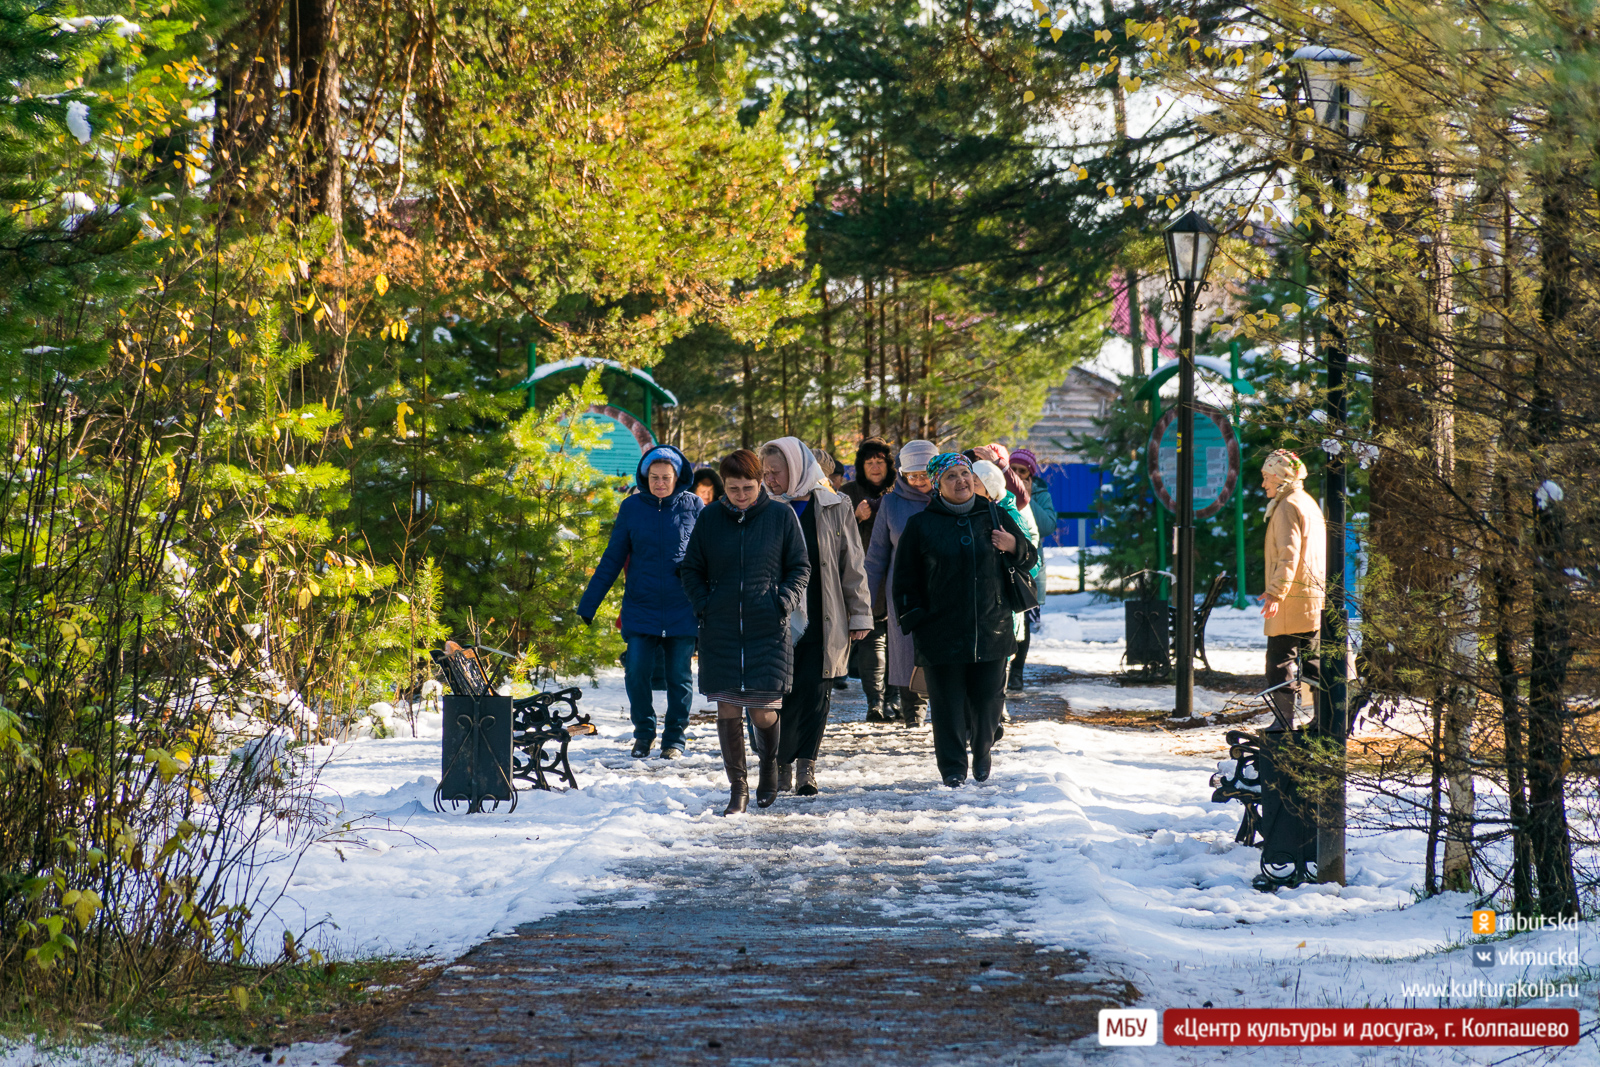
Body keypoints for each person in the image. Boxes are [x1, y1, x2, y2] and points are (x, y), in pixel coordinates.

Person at [680, 449, 811, 813]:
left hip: (766, 626)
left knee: (761, 712)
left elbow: (800, 566)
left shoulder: (780, 515)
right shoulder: (710, 518)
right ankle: (738, 788)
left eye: (748, 488)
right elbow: (691, 568)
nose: (740, 495)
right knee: (727, 709)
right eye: (734, 488)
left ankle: (768, 767)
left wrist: (782, 601)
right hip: (720, 628)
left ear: (760, 484)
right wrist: (705, 603)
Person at [893, 454, 1037, 787]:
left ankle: (983, 751)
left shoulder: (995, 515)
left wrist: (1013, 544)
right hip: (939, 632)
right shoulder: (921, 525)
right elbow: (904, 579)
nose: (961, 481)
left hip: (992, 627)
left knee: (988, 700)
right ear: (937, 486)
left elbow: (1031, 558)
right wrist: (917, 619)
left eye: (965, 473)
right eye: (951, 477)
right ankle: (953, 767)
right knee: (947, 705)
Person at [760, 438, 872, 796]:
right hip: (776, 617)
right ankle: (780, 764)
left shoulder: (835, 504)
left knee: (816, 692)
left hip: (826, 616)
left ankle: (807, 765)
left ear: (796, 467)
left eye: (776, 472)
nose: (770, 479)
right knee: (779, 695)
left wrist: (860, 615)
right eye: (765, 473)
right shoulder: (762, 506)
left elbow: (852, 564)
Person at [576, 445, 703, 759]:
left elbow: (709, 557)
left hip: (682, 608)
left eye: (666, 477)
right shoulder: (631, 507)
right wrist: (588, 604)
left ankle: (674, 739)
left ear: (678, 477)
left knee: (679, 676)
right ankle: (644, 734)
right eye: (654, 477)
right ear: (645, 477)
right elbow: (612, 558)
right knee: (636, 672)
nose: (660, 482)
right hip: (640, 606)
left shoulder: (694, 506)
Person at [863, 439, 938, 727]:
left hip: (942, 589)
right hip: (904, 591)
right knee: (906, 652)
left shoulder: (945, 500)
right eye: (913, 475)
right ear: (903, 474)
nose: (919, 481)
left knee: (940, 649)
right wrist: (865, 601)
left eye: (925, 474)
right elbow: (876, 556)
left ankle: (942, 709)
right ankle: (913, 714)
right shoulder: (892, 503)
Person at [1259, 449, 1326, 731]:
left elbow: (1289, 554)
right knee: (1312, 659)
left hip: (1292, 598)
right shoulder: (1306, 501)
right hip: (1310, 596)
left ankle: (1282, 720)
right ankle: (1323, 719)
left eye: (1266, 477)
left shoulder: (1287, 506)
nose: (1264, 484)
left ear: (1281, 476)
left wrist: (1275, 592)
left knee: (1279, 661)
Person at [840, 437, 896, 721]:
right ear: (861, 466)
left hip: (897, 576)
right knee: (872, 639)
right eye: (869, 462)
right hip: (862, 577)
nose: (875, 467)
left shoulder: (901, 491)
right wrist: (856, 516)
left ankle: (895, 699)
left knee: (899, 642)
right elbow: (832, 533)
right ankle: (875, 701)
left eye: (880, 461)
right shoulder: (848, 493)